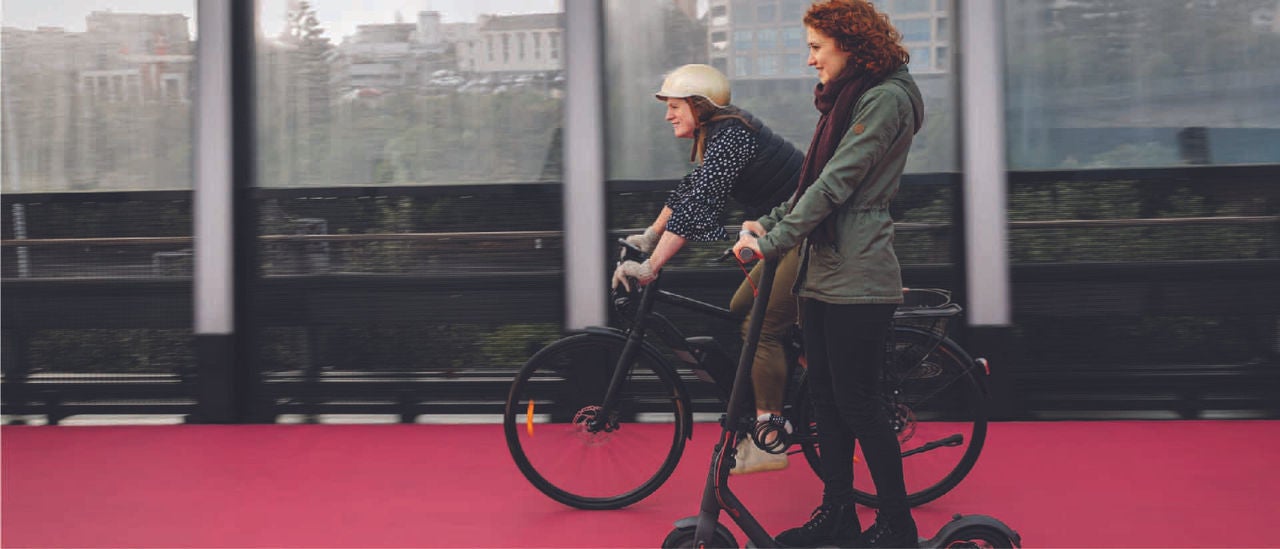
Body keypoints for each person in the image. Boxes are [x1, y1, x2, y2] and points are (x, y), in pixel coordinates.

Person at [732, 1, 924, 547]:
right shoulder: (851, 97)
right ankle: (838, 513)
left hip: (858, 274)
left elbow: (836, 183)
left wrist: (773, 242)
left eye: (817, 47)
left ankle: (896, 526)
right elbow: (807, 185)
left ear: (851, 43)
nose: (810, 60)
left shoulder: (885, 98)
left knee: (859, 402)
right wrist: (768, 222)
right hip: (824, 270)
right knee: (824, 399)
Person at [611, 63, 805, 475]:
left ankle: (771, 437)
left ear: (700, 105)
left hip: (810, 236)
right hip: (783, 234)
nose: (668, 115)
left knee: (763, 326)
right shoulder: (718, 134)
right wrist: (649, 236)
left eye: (675, 106)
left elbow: (699, 205)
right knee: (739, 309)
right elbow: (690, 188)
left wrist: (650, 267)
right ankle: (797, 387)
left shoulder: (732, 135)